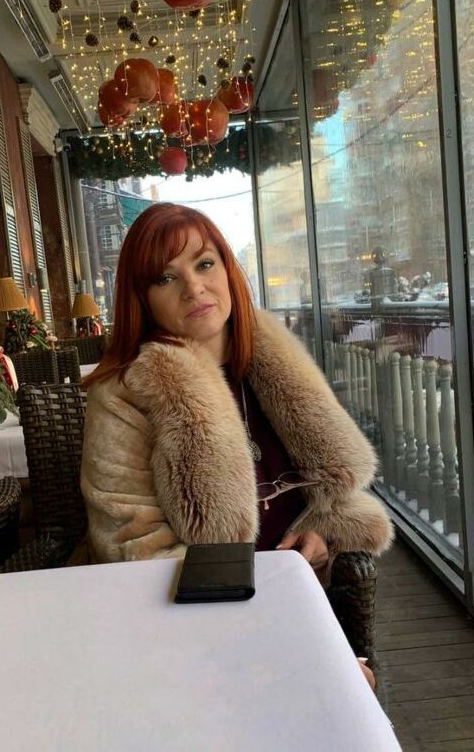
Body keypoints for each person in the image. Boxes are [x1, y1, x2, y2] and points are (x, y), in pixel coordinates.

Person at [81, 204, 393, 686]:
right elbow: (130, 545)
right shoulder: (125, 393)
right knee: (342, 692)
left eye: (204, 264)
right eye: (166, 278)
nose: (194, 288)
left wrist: (323, 538)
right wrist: (269, 616)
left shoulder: (275, 363)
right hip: (194, 629)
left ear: (227, 269)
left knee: (348, 690)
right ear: (142, 299)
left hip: (304, 601)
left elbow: (340, 496)